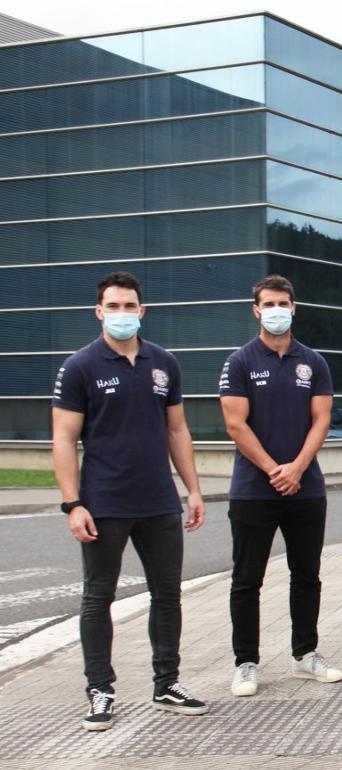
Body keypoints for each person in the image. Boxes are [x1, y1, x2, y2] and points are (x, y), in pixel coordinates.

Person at [51, 271, 209, 731]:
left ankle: (167, 683)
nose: (122, 314)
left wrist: (193, 489)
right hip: (104, 503)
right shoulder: (80, 366)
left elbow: (177, 430)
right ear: (99, 312)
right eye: (113, 306)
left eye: (129, 306)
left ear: (142, 311)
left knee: (168, 594)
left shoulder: (164, 363)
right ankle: (100, 690)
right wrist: (72, 504)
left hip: (159, 500)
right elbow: (63, 439)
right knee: (98, 597)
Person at [219, 275, 342, 698]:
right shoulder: (239, 362)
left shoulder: (314, 362)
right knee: (246, 579)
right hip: (253, 490)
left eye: (283, 303)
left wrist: (298, 468)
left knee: (306, 575)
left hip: (306, 489)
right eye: (268, 304)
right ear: (256, 310)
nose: (276, 311)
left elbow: (321, 419)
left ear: (294, 308)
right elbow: (235, 424)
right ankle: (246, 663)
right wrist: (276, 470)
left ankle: (305, 654)